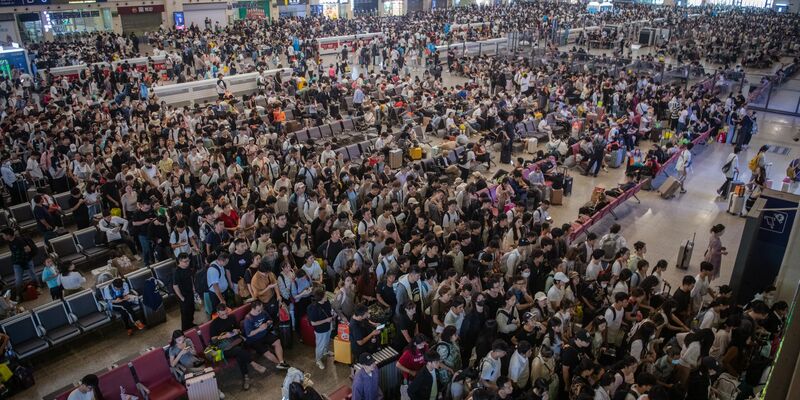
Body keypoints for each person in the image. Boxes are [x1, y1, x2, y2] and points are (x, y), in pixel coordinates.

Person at [209, 304, 266, 390]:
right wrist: (224, 336)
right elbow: (213, 340)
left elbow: (238, 329)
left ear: (227, 310)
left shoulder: (231, 317)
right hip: (223, 348)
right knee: (239, 351)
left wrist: (236, 331)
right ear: (218, 313)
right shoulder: (214, 323)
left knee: (239, 352)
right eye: (222, 314)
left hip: (235, 342)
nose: (225, 316)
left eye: (226, 313)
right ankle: (253, 364)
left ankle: (246, 377)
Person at [242, 300, 290, 370]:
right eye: (259, 310)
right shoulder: (248, 319)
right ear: (253, 309)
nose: (261, 311)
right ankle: (279, 364)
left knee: (277, 341)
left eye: (262, 309)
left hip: (265, 334)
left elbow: (270, 320)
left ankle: (281, 362)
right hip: (254, 339)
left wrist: (267, 323)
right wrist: (259, 329)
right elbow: (249, 334)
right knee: (267, 352)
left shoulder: (263, 312)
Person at [1, 228, 42, 301]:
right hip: (17, 263)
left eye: (3, 235)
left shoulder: (19, 240)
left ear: (8, 235)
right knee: (18, 280)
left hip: (27, 261)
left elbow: (28, 249)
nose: (2, 237)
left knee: (32, 275)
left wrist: (21, 255)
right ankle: (18, 295)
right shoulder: (9, 242)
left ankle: (38, 287)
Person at [306, 286, 335, 370]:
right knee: (320, 345)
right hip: (320, 330)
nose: (327, 296)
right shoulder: (312, 308)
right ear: (321, 298)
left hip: (328, 326)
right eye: (325, 295)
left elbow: (330, 311)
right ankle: (318, 359)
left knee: (327, 341)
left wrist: (332, 314)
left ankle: (325, 352)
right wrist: (326, 320)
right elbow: (313, 323)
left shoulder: (327, 302)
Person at [172, 253, 196, 331]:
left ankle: (191, 324)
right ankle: (185, 330)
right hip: (183, 295)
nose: (187, 263)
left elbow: (190, 278)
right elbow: (175, 286)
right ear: (180, 261)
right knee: (185, 314)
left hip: (190, 293)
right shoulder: (177, 272)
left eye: (188, 260)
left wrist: (193, 287)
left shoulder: (188, 268)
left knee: (192, 310)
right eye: (185, 261)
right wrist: (181, 297)